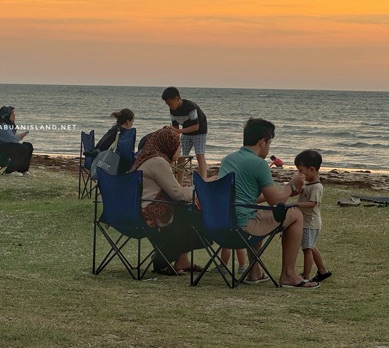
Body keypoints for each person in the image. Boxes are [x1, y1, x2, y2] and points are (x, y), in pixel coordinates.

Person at [218, 118, 318, 288]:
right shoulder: (259, 164)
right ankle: (288, 274)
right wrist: (290, 185)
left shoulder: (228, 159)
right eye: (270, 142)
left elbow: (244, 198)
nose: (269, 147)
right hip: (243, 225)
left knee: (259, 213)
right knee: (295, 214)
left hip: (221, 224)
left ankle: (255, 272)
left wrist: (283, 191)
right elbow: (276, 203)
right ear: (262, 142)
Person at [131, 127, 204, 275]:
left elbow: (174, 191)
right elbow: (179, 195)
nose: (180, 148)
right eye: (178, 144)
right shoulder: (158, 162)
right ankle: (161, 260)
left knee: (186, 210)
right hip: (151, 213)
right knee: (193, 214)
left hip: (135, 210)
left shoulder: (147, 158)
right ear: (168, 144)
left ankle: (181, 260)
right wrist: (201, 189)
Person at [295, 149, 332, 283]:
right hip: (306, 221)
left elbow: (313, 203)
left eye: (301, 170)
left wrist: (296, 205)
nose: (300, 173)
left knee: (307, 249)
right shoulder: (308, 184)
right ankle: (322, 270)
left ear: (312, 169)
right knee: (310, 246)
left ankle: (306, 275)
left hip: (310, 222)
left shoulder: (317, 187)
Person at [161, 87, 209, 180]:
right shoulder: (172, 110)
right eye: (167, 105)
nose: (169, 107)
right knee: (181, 156)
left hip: (199, 131)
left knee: (199, 155)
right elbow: (175, 128)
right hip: (186, 132)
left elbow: (196, 126)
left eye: (170, 104)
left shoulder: (190, 106)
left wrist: (179, 131)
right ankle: (179, 182)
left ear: (177, 99)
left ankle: (204, 180)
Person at [0, 105, 33, 176]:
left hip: (5, 145)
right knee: (22, 148)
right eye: (12, 113)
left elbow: (11, 138)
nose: (14, 115)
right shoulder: (2, 126)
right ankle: (10, 171)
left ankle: (23, 170)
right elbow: (12, 139)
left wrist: (19, 137)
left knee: (29, 145)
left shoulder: (7, 125)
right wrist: (19, 137)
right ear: (7, 115)